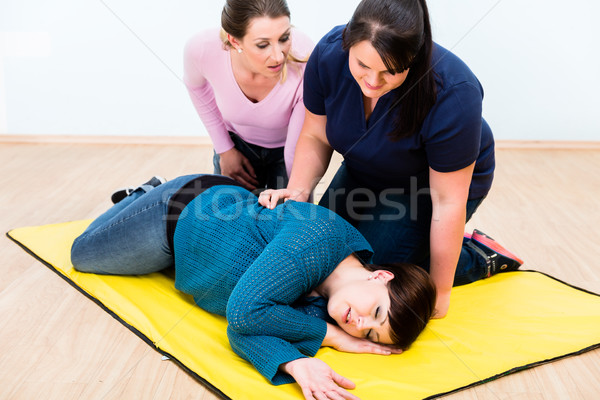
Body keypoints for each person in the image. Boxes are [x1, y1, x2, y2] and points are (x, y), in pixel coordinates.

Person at [258, 0, 523, 318]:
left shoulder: (455, 92)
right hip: (366, 165)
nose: (372, 81)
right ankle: (423, 243)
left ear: (414, 57)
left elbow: (447, 202)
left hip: (427, 187)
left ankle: (476, 255)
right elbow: (316, 135)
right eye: (362, 65)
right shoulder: (328, 55)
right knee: (318, 259)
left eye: (391, 71)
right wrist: (298, 194)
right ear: (347, 44)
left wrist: (439, 293)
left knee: (370, 273)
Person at [71, 175, 436, 400]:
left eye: (370, 336)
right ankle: (146, 193)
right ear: (381, 276)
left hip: (187, 254)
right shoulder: (313, 242)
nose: (358, 325)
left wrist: (294, 363)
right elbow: (244, 312)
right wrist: (332, 337)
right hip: (181, 210)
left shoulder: (323, 302)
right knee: (82, 253)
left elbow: (241, 329)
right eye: (375, 313)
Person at [183, 0, 313, 191]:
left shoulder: (307, 58)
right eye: (263, 45)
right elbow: (196, 88)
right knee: (228, 216)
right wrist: (225, 150)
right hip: (236, 143)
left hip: (288, 150)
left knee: (290, 215)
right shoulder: (202, 49)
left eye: (284, 38)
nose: (278, 56)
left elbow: (297, 147)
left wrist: (295, 194)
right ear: (235, 41)